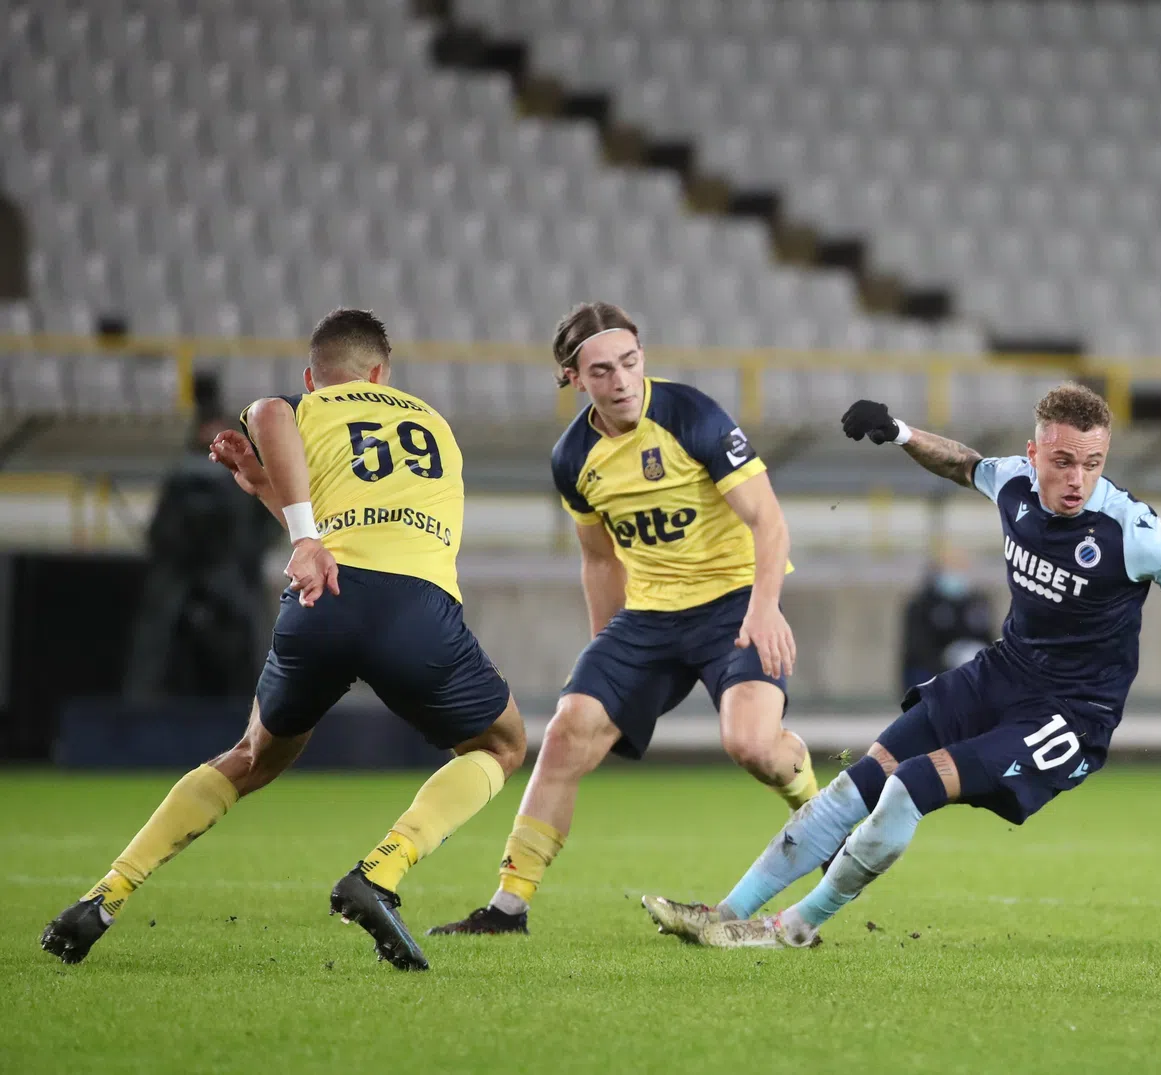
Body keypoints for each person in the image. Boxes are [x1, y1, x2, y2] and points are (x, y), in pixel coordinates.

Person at [641, 383, 1161, 950]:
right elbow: (965, 464)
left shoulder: (1135, 532)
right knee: (858, 784)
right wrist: (902, 432)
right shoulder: (1015, 483)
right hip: (1001, 673)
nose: (1078, 479)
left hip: (1069, 713)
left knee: (910, 786)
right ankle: (725, 913)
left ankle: (793, 929)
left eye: (1093, 464)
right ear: (1034, 453)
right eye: (1063, 462)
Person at [40, 309, 528, 970]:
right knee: (501, 743)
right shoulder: (434, 425)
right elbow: (320, 485)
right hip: (414, 610)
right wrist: (284, 507)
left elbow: (276, 427)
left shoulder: (309, 408)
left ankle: (106, 893)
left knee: (251, 755)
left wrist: (285, 511)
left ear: (312, 375)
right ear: (381, 371)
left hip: (320, 603)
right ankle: (381, 870)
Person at [429, 302, 813, 937]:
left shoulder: (691, 414)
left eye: (631, 363)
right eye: (602, 370)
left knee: (752, 746)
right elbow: (599, 558)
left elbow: (767, 520)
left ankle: (811, 804)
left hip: (731, 603)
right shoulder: (572, 458)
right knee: (565, 733)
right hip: (649, 618)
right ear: (574, 378)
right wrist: (605, 656)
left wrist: (766, 606)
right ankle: (507, 908)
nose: (623, 381)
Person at [122, 404, 280, 698]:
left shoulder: (247, 480)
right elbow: (161, 533)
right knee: (157, 641)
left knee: (252, 641)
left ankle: (261, 714)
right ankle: (139, 714)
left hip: (231, 580)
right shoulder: (182, 480)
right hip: (184, 578)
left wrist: (244, 552)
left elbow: (268, 526)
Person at [899, 546, 993, 695]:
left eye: (961, 568)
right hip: (932, 669)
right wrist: (946, 667)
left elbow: (986, 637)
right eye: (953, 568)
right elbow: (918, 648)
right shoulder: (922, 604)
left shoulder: (975, 602)